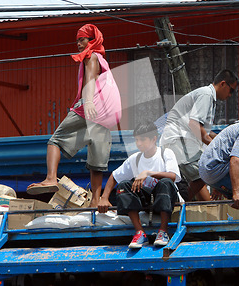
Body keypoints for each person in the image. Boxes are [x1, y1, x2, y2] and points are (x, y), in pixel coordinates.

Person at [27, 24, 122, 208]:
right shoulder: (104, 60)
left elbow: (90, 79)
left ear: (92, 40)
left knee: (55, 141)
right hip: (108, 117)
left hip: (92, 109)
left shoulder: (91, 56)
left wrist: (87, 102)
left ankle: (50, 178)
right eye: (77, 40)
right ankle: (95, 200)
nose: (79, 44)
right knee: (97, 162)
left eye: (82, 39)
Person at [160, 69, 239, 202]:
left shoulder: (209, 97)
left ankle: (203, 209)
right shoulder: (206, 94)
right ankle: (179, 204)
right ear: (223, 84)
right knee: (205, 173)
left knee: (201, 176)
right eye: (231, 90)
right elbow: (194, 124)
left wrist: (223, 141)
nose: (231, 95)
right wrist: (215, 146)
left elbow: (205, 132)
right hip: (179, 139)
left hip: (183, 141)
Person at [98, 121, 180, 249]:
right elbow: (114, 176)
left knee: (166, 182)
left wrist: (148, 173)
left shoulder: (165, 153)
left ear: (154, 139)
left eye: (143, 139)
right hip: (146, 203)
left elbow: (173, 176)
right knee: (124, 185)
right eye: (136, 140)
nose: (139, 143)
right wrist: (104, 197)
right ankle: (140, 232)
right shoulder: (135, 158)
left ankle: (163, 231)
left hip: (166, 200)